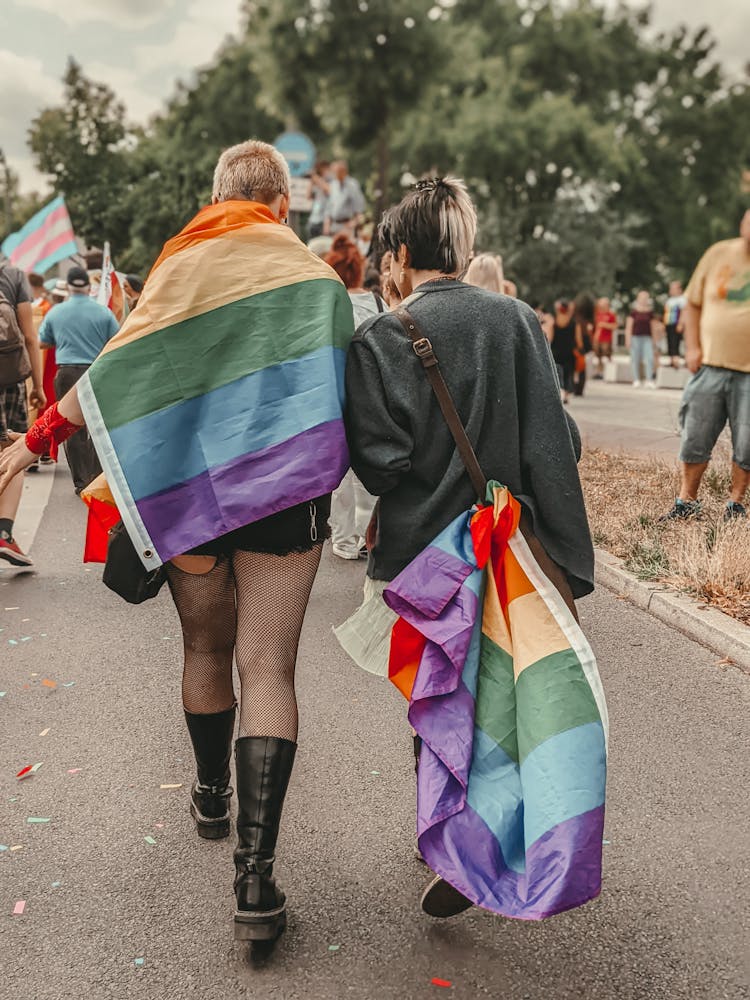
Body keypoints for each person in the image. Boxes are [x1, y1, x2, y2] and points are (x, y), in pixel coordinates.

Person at [0, 139, 353, 944]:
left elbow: (119, 373)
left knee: (203, 646)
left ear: (217, 195)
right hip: (282, 494)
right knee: (268, 666)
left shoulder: (179, 270)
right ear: (282, 203)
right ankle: (256, 886)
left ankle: (209, 794)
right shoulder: (314, 277)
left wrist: (34, 439)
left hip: (193, 498)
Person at [343, 177, 593, 914]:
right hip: (508, 548)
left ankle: (448, 839)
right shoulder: (516, 320)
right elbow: (563, 441)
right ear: (464, 247)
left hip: (426, 558)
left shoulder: (382, 337)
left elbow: (382, 462)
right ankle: (496, 835)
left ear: (402, 253)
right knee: (502, 696)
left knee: (437, 700)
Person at [661, 209, 750, 522]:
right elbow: (693, 303)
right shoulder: (718, 254)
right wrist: (693, 347)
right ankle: (687, 500)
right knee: (695, 433)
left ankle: (736, 504)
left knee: (748, 441)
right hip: (711, 365)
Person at [324, 234, 382, 559]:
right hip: (370, 395)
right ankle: (367, 536)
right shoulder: (376, 303)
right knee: (368, 469)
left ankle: (344, 541)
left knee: (341, 476)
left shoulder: (330, 304)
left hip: (337, 394)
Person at [38, 266, 119, 494]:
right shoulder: (103, 312)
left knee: (69, 426)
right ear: (88, 287)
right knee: (97, 425)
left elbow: (42, 341)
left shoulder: (56, 312)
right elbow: (116, 340)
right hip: (96, 370)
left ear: (69, 287)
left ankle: (81, 481)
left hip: (67, 373)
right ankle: (97, 477)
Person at [0, 260, 46, 566]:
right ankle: (4, 533)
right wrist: (37, 386)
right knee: (12, 448)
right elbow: (30, 337)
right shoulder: (12, 275)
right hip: (7, 379)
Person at [543, 298, 581, 404]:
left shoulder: (553, 322)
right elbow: (579, 340)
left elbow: (549, 338)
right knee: (569, 374)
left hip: (556, 352)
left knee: (558, 373)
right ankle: (567, 395)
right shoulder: (574, 323)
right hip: (569, 353)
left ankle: (561, 391)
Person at [625, 290, 658, 388]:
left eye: (645, 298)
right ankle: (636, 379)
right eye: (642, 297)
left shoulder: (650, 313)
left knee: (650, 358)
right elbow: (629, 327)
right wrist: (628, 340)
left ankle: (649, 379)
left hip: (647, 338)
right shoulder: (633, 313)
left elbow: (653, 327)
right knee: (635, 359)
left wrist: (654, 340)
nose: (644, 300)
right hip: (635, 338)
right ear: (638, 299)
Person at [324, 160, 365, 236]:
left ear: (344, 171)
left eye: (336, 172)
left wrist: (354, 223)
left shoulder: (352, 185)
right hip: (334, 226)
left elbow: (359, 209)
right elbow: (329, 207)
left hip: (347, 226)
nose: (334, 174)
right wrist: (327, 225)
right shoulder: (333, 185)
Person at [572, 292, 595, 397]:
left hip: (575, 339)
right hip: (585, 340)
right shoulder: (590, 317)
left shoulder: (575, 315)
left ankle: (572, 386)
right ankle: (580, 388)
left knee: (573, 364)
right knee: (582, 366)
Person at [663, 280, 686, 368]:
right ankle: (672, 360)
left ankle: (677, 360)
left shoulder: (682, 300)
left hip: (677, 324)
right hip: (669, 324)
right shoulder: (669, 300)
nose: (671, 290)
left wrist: (681, 323)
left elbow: (684, 312)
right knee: (670, 342)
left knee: (676, 342)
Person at [592, 297, 617, 378]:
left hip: (606, 339)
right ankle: (599, 373)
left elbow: (615, 326)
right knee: (598, 356)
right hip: (597, 339)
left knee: (607, 355)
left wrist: (604, 325)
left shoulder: (611, 314)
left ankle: (610, 373)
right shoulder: (597, 314)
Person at [307, 160, 331, 240]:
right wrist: (312, 181)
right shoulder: (317, 181)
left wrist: (315, 177)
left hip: (324, 220)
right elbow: (308, 196)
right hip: (314, 219)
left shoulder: (331, 181)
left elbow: (328, 189)